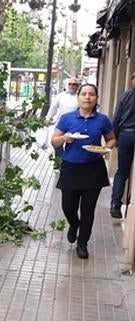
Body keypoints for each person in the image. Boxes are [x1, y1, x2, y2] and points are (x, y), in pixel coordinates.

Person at [51, 84, 116, 259]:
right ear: (78, 97)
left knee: (88, 209)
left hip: (93, 169)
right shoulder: (67, 118)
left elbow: (111, 139)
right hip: (70, 168)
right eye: (84, 94)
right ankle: (74, 223)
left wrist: (105, 149)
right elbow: (54, 141)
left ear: (96, 98)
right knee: (68, 207)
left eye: (91, 94)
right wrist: (65, 138)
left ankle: (82, 244)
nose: (88, 97)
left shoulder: (102, 120)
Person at [110, 73, 135, 219]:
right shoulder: (125, 96)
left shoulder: (125, 96)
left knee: (122, 171)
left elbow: (116, 118)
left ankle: (116, 204)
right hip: (127, 133)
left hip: (125, 134)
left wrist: (115, 137)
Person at [45, 77, 82, 164]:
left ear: (78, 86)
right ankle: (59, 162)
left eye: (74, 84)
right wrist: (48, 118)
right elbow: (53, 107)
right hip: (61, 124)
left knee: (73, 144)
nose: (72, 86)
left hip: (75, 124)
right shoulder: (60, 96)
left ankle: (69, 162)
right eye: (70, 84)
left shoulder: (80, 97)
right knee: (56, 143)